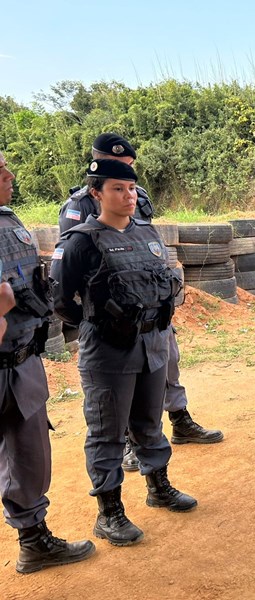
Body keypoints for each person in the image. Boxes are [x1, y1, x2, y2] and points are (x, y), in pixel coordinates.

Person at [51, 159, 197, 546]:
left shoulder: (147, 233)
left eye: (131, 188)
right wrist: (101, 324)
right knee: (108, 433)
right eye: (117, 188)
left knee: (149, 423)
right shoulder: (80, 241)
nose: (128, 195)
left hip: (153, 346)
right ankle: (109, 512)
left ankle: (159, 487)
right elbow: (62, 301)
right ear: (96, 193)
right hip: (109, 352)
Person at [59, 133, 223, 473]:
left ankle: (177, 423)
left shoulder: (139, 203)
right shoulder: (80, 210)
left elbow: (147, 249)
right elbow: (65, 285)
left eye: (130, 174)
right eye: (118, 178)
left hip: (151, 323)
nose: (128, 190)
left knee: (164, 374)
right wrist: (98, 321)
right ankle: (124, 450)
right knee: (112, 413)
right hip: (112, 334)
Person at [0, 150, 95, 572]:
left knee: (28, 453)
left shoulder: (8, 220)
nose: (9, 174)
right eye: (0, 169)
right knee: (24, 453)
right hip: (8, 359)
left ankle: (34, 540)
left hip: (21, 359)